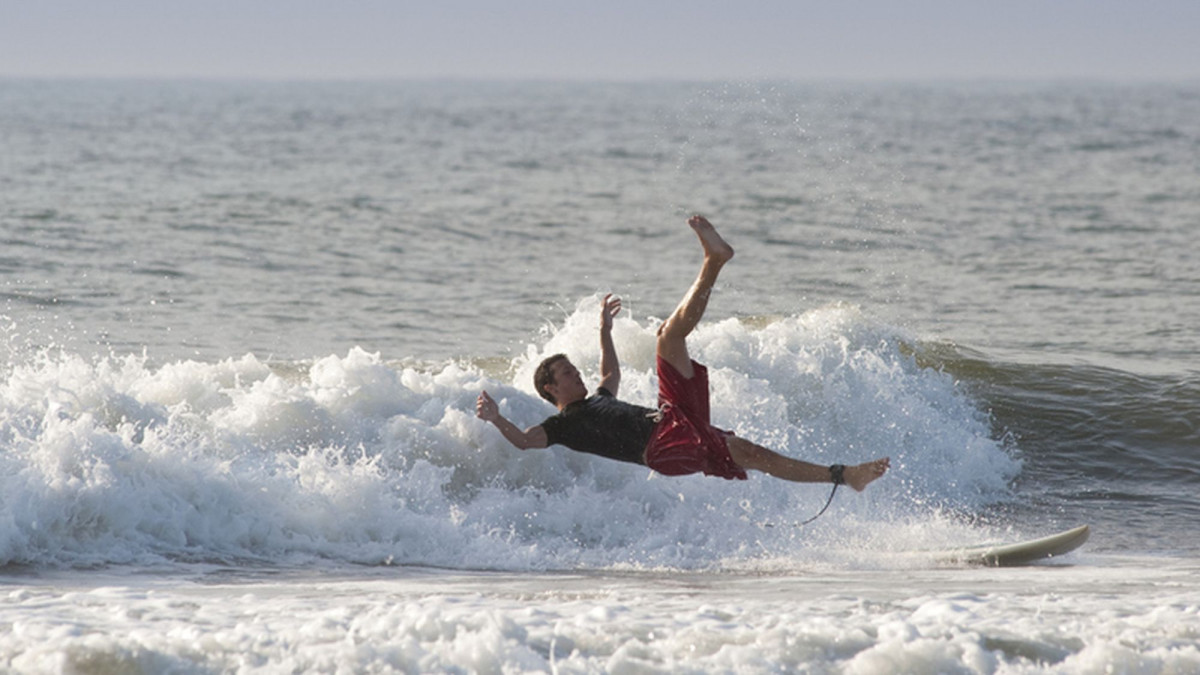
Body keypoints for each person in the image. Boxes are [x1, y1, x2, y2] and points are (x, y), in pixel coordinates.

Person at [476, 215, 890, 492]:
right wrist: (497, 420)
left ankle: (715, 261)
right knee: (750, 454)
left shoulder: (598, 399)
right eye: (567, 374)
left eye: (573, 370)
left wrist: (605, 331)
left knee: (667, 338)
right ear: (551, 388)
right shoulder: (562, 425)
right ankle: (843, 475)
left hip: (672, 417)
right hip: (663, 447)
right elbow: (525, 442)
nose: (577, 376)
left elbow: (609, 372)